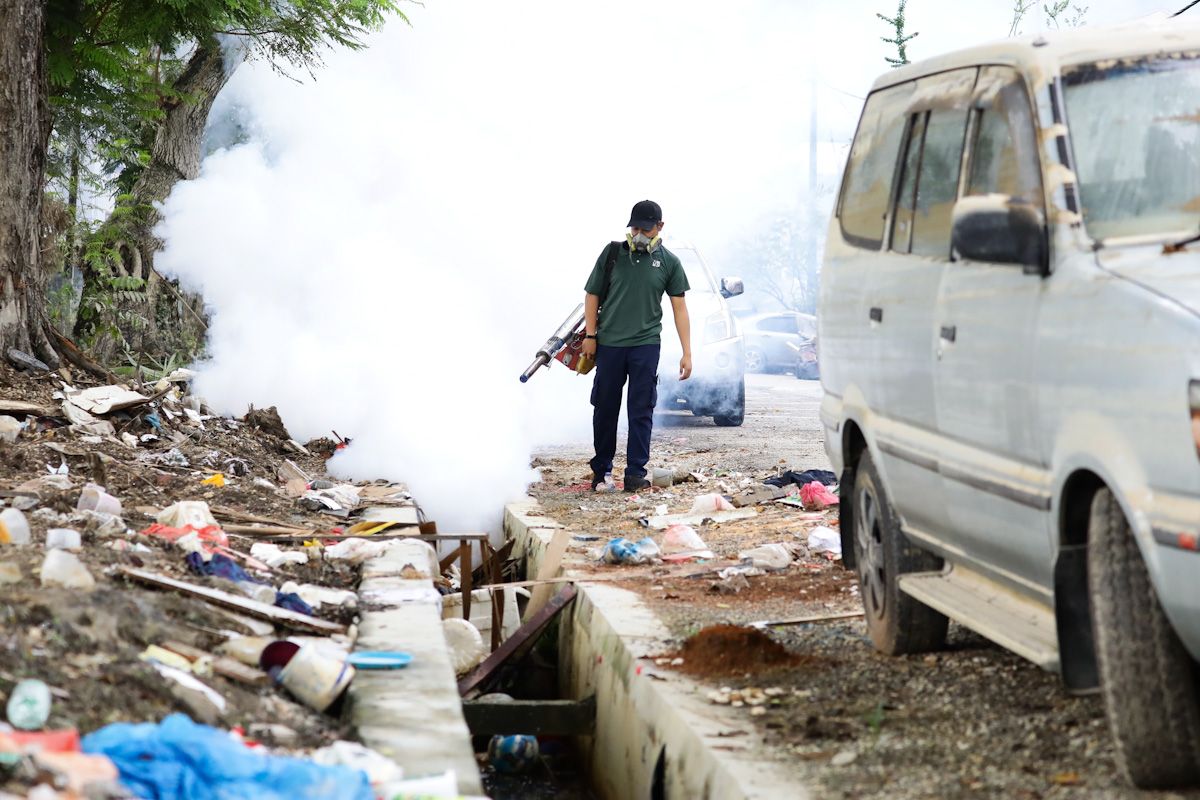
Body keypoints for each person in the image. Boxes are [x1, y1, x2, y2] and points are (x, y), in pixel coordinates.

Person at [581, 200, 691, 492]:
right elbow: (592, 295)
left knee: (641, 409)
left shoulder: (669, 262)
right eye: (635, 227)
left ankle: (634, 473)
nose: (640, 233)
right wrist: (591, 336)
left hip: (645, 345)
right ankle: (602, 471)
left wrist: (687, 352)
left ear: (660, 227)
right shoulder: (613, 253)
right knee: (605, 408)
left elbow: (679, 308)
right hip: (610, 344)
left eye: (646, 228)